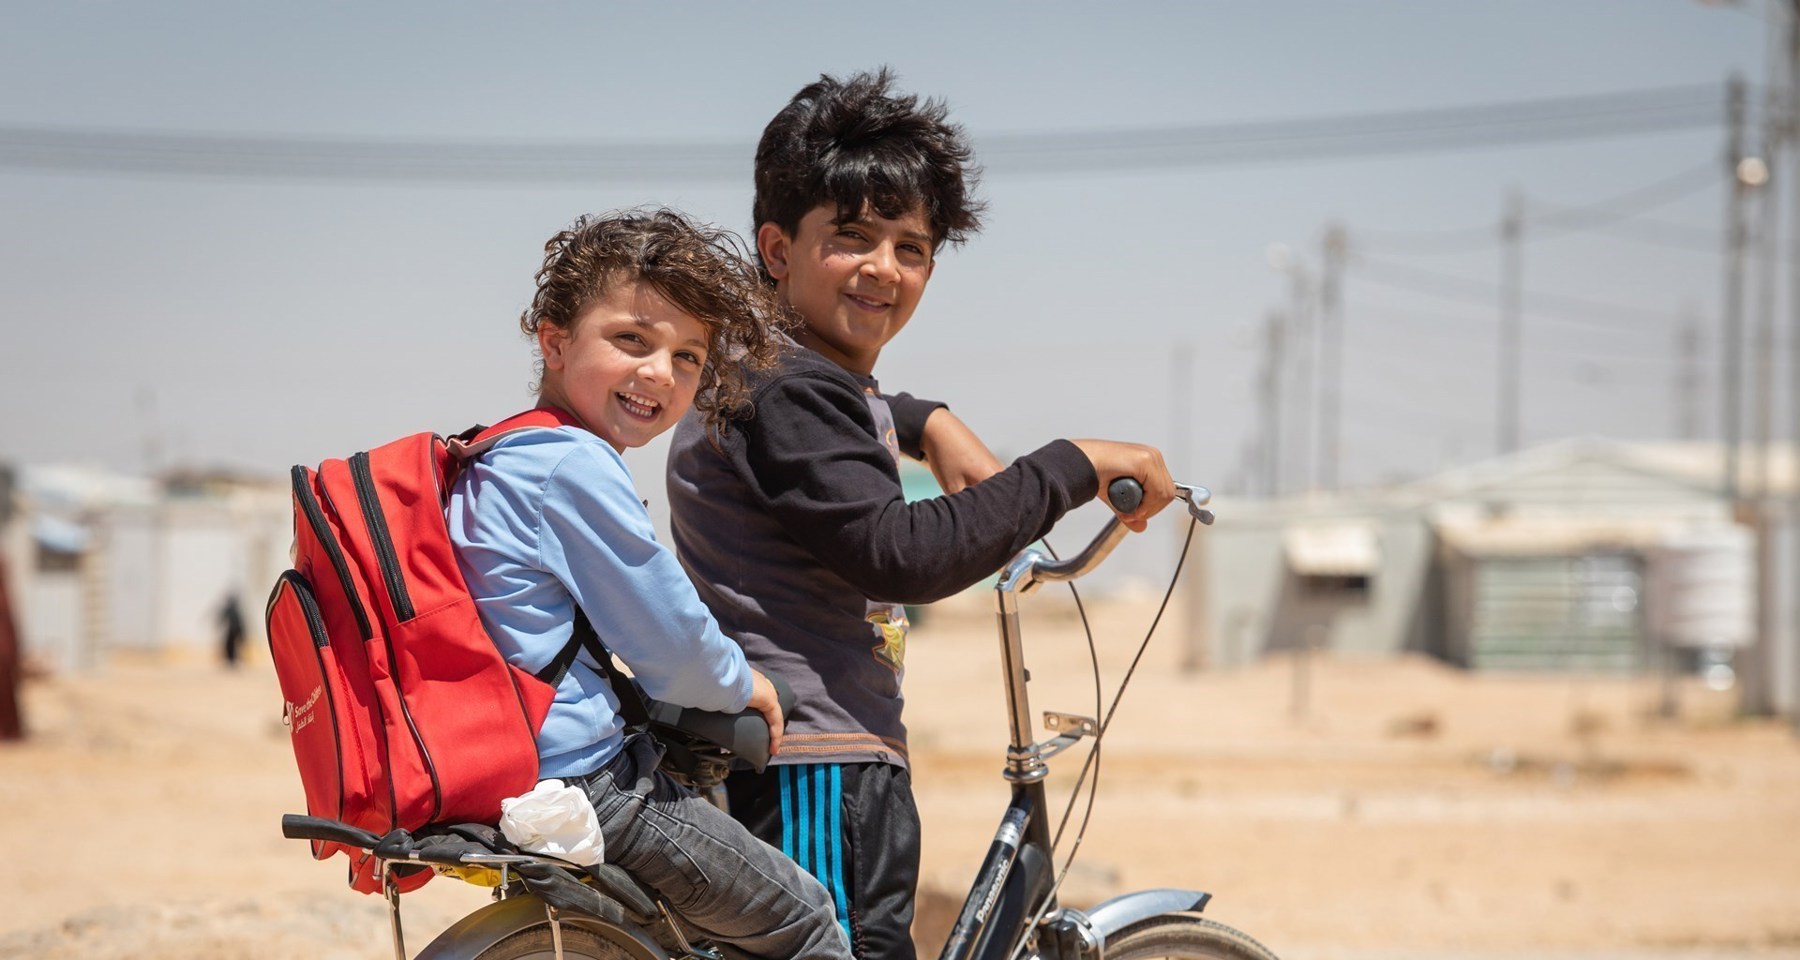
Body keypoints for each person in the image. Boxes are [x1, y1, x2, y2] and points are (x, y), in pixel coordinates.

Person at [666, 68, 1176, 960]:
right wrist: (1070, 466)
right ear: (777, 250)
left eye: (913, 248)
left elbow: (844, 424)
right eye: (852, 237)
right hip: (814, 767)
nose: (883, 270)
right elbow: (899, 554)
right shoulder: (787, 389)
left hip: (815, 760)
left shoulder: (785, 374)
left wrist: (924, 420)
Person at [446, 209, 851, 960]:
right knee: (806, 921)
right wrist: (744, 686)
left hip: (498, 764)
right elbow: (672, 642)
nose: (661, 374)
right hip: (586, 780)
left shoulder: (495, 455)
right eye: (632, 340)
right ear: (555, 339)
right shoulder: (573, 465)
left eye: (689, 357)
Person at [217, 590, 245, 668]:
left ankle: (233, 661)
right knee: (230, 645)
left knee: (232, 645)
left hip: (234, 630)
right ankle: (231, 660)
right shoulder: (232, 608)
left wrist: (242, 633)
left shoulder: (232, 609)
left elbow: (240, 621)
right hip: (234, 630)